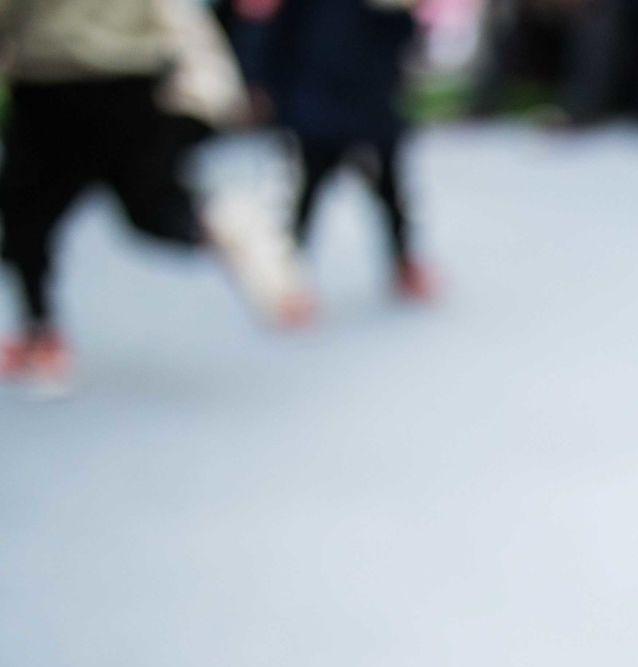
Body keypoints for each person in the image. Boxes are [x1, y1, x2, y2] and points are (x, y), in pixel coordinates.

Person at [0, 0, 312, 394]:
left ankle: (40, 335)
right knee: (152, 207)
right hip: (134, 79)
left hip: (51, 82)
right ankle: (216, 221)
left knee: (27, 216)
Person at [261, 0, 437, 302]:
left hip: (371, 107)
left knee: (390, 194)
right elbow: (279, 41)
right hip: (320, 111)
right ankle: (286, 280)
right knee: (307, 194)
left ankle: (404, 266)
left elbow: (405, 37)